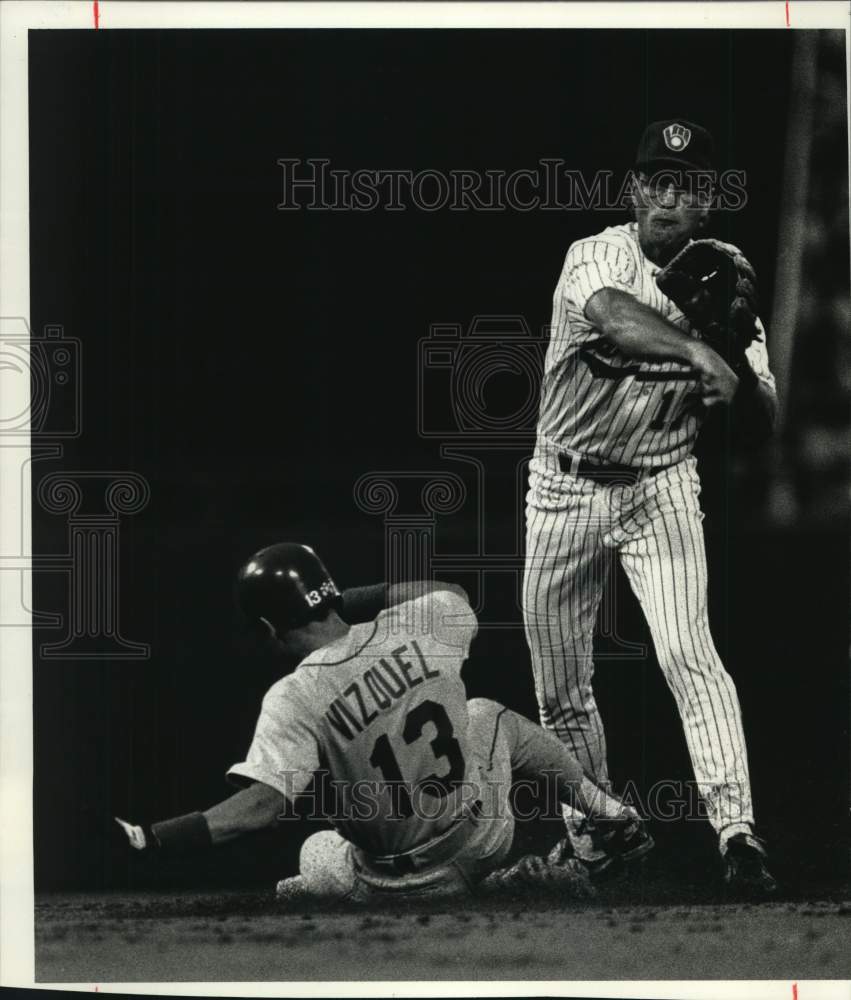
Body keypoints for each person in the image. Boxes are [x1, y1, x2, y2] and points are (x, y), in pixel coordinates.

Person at [521, 120, 778, 898]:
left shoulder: (727, 284)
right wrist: (695, 347)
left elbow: (764, 421)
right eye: (656, 183)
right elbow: (607, 313)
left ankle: (738, 836)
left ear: (707, 202)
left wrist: (731, 349)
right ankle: (603, 839)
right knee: (560, 685)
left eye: (687, 186)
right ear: (635, 191)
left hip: (659, 487)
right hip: (562, 486)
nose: (668, 198)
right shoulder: (596, 255)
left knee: (685, 652)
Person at [116, 542, 652, 903]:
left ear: (266, 626)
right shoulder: (425, 623)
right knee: (487, 715)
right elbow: (453, 593)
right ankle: (609, 814)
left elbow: (259, 808)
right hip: (481, 838)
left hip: (393, 885)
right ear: (327, 592)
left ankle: (320, 888)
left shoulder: (293, 695)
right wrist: (341, 600)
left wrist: (154, 839)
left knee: (315, 851)